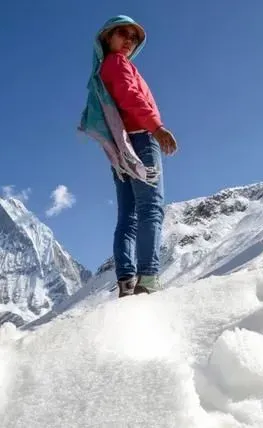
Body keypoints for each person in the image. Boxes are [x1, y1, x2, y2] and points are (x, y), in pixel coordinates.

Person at [78, 15, 178, 297]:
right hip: (140, 139)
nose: (129, 40)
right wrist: (156, 128)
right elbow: (130, 96)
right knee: (150, 208)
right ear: (107, 37)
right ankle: (148, 278)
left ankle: (126, 281)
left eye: (134, 38)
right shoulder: (119, 64)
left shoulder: (103, 69)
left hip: (120, 149)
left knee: (128, 215)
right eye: (122, 33)